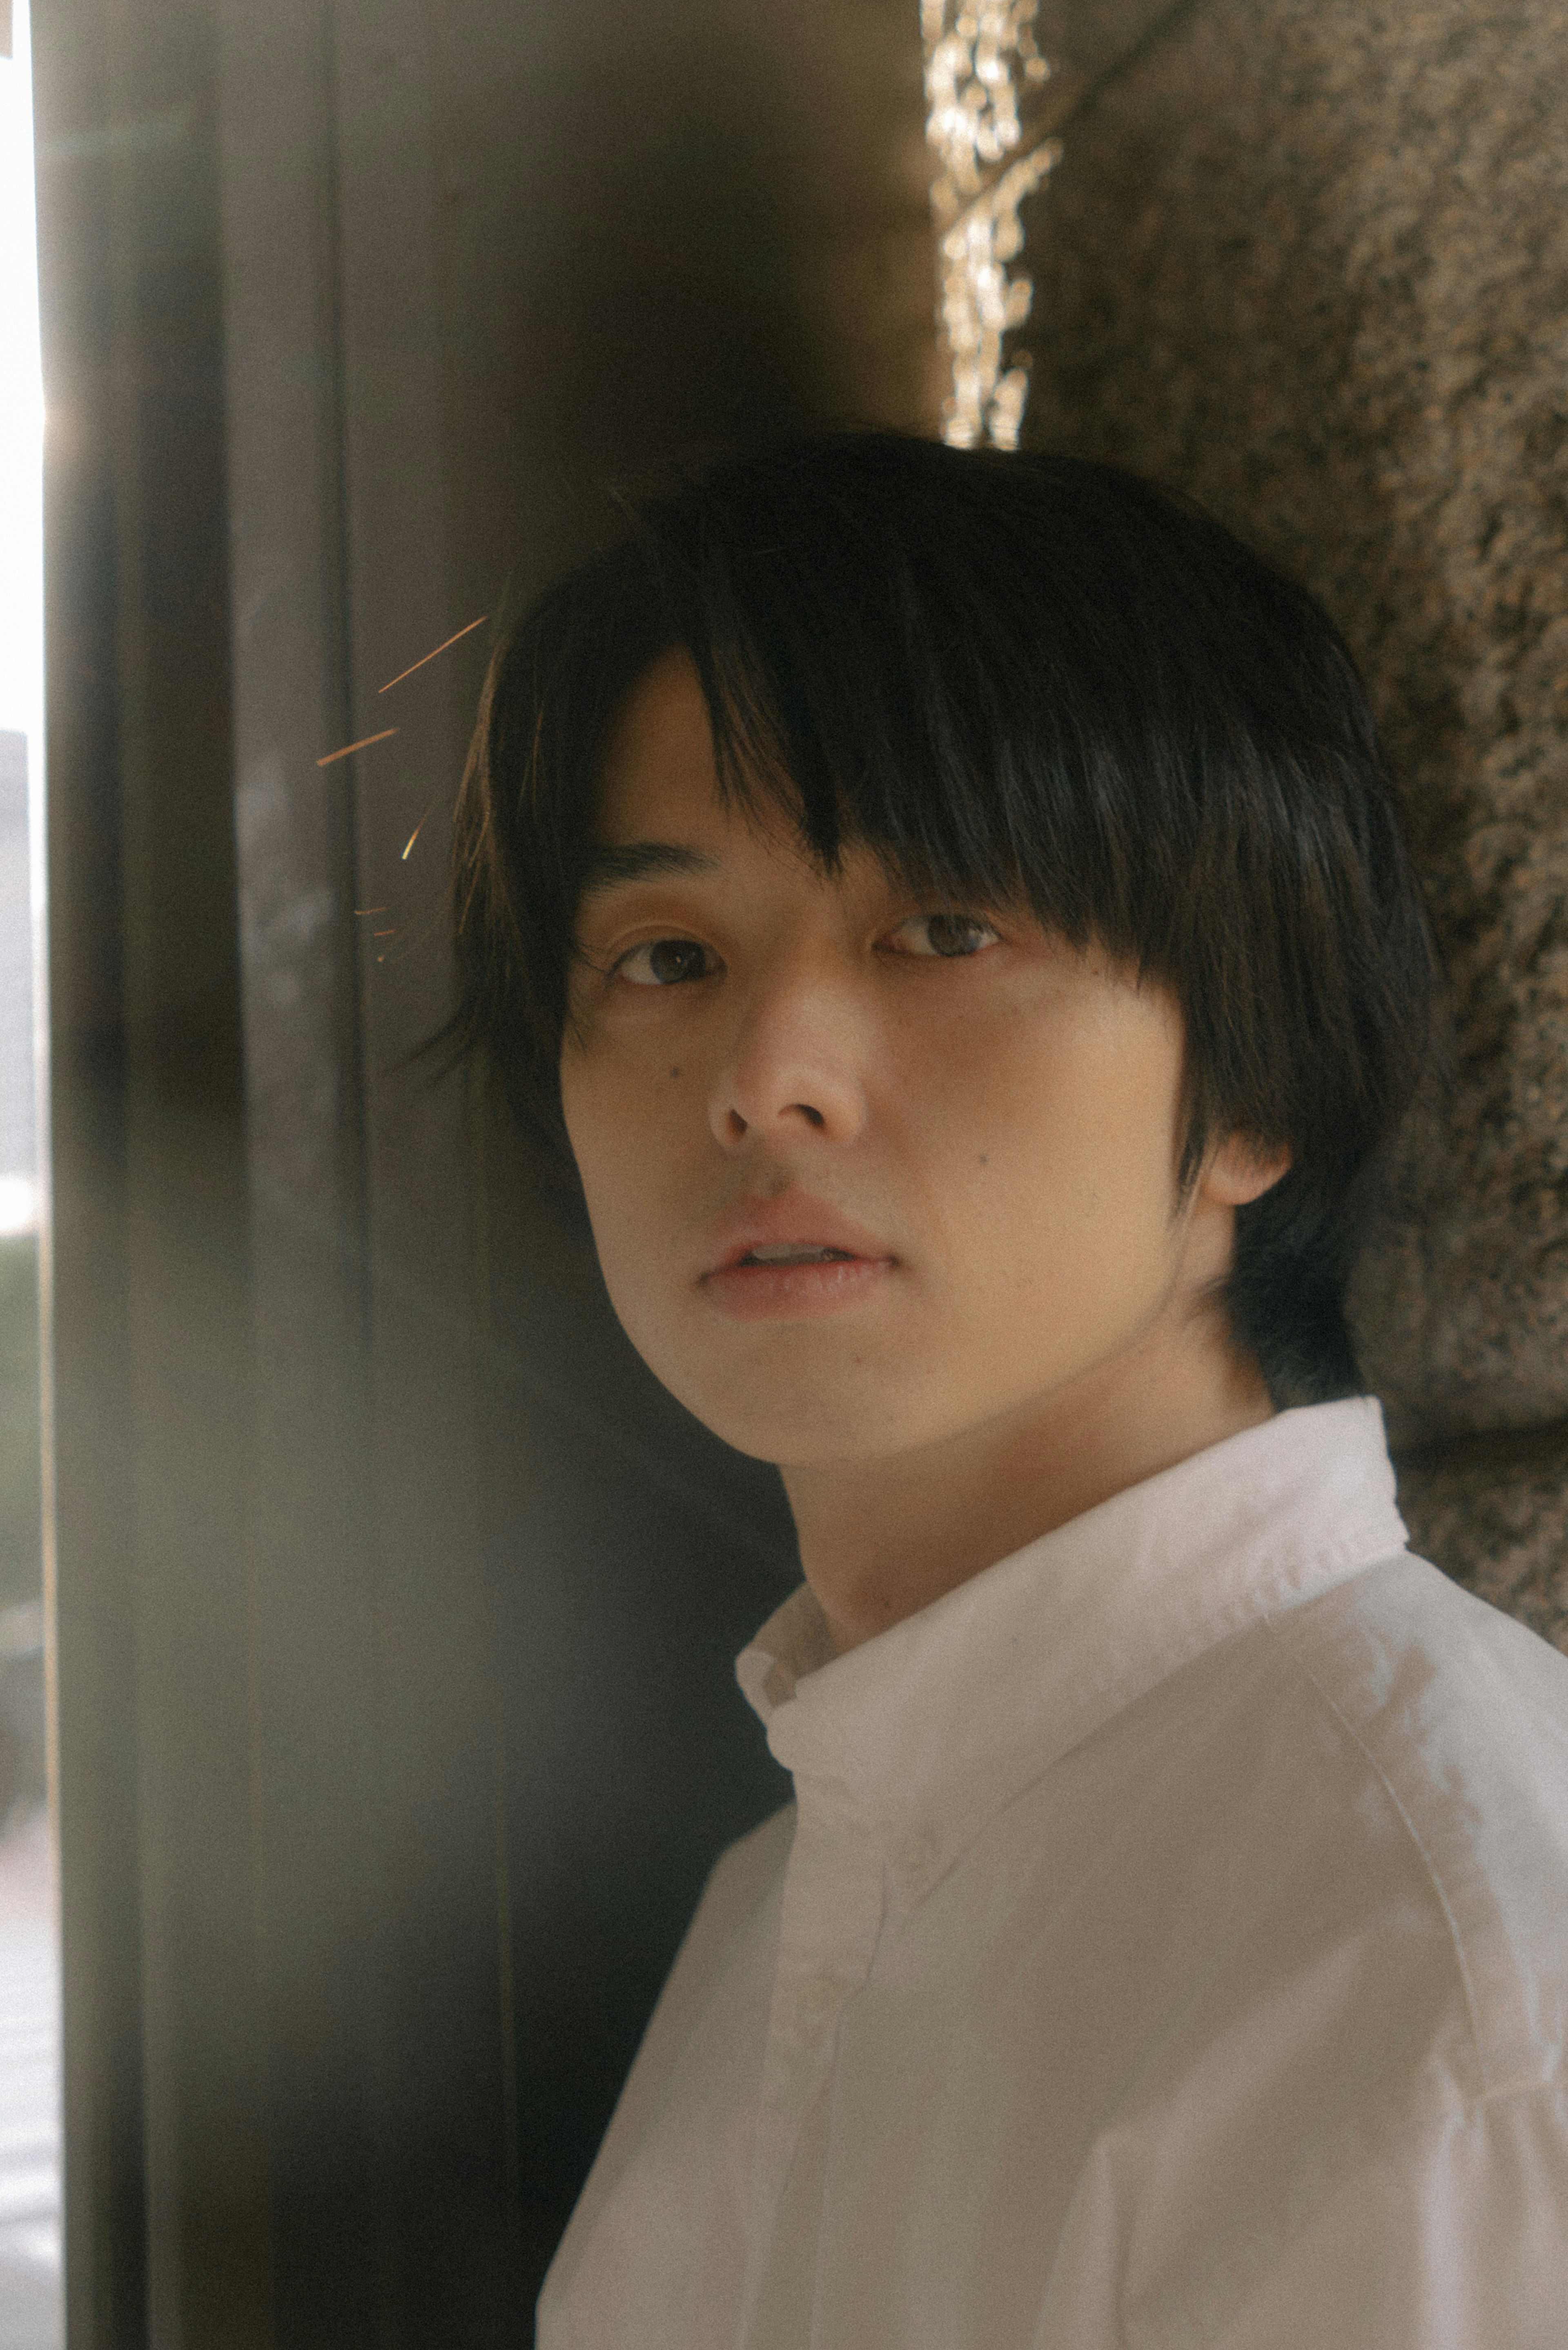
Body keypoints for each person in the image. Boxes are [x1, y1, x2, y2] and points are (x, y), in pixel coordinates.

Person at [449, 433, 1568, 2347]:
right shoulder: (785, 1894)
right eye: (664, 956)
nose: (764, 1075)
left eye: (947, 931)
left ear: (1259, 1087)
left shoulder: (1435, 1967)